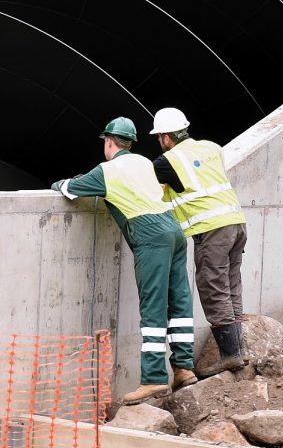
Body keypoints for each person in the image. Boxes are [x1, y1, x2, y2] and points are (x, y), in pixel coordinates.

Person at [52, 117, 196, 405]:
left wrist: (59, 182)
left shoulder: (107, 170)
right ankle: (184, 368)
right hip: (174, 230)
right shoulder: (144, 162)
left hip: (150, 236)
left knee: (153, 307)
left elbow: (69, 188)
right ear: (130, 142)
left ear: (108, 142)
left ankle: (154, 379)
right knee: (179, 301)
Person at [150, 107, 247, 378]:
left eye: (160, 137)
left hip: (211, 229)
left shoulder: (166, 162)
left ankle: (230, 355)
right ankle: (241, 350)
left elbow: (142, 185)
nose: (160, 143)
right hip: (236, 223)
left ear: (166, 137)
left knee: (213, 286)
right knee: (231, 283)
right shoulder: (212, 148)